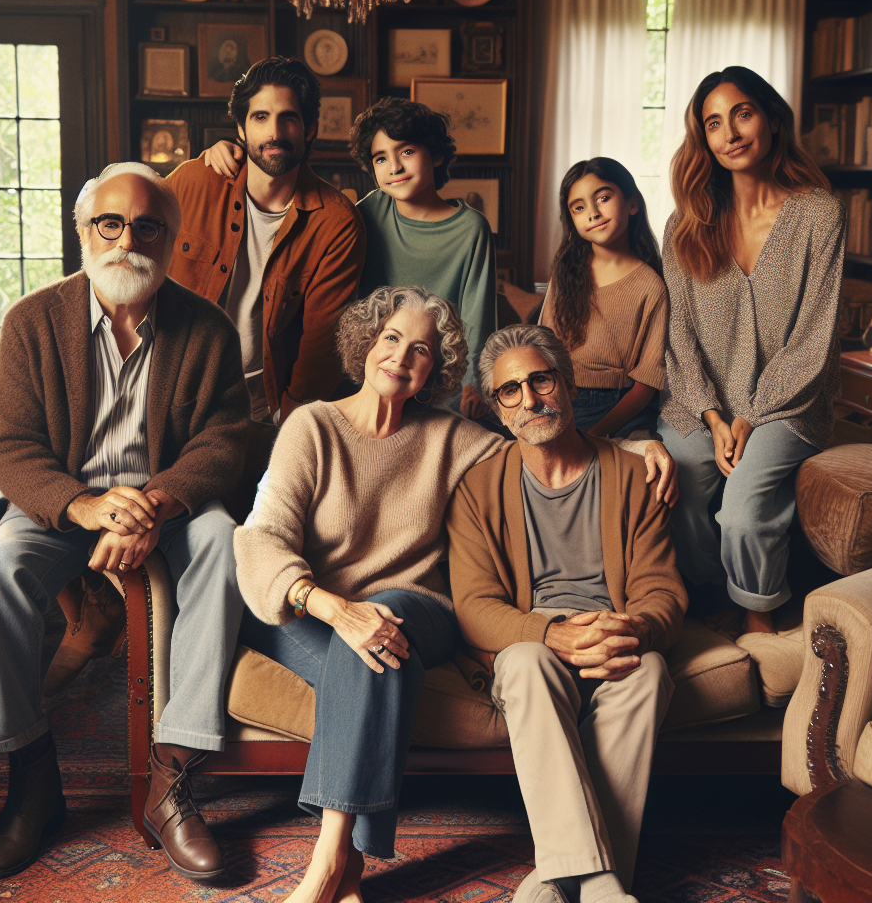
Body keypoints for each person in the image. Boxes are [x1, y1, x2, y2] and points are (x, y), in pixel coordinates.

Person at [233, 289, 677, 903]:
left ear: (434, 368)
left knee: (381, 630)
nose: (401, 356)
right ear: (366, 344)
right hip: (309, 604)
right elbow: (260, 541)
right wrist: (336, 609)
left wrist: (638, 446)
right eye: (391, 338)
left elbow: (540, 437)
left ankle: (331, 865)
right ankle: (343, 862)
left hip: (407, 609)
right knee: (364, 644)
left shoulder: (452, 436)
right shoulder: (311, 426)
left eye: (421, 349)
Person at [0, 163, 250, 882]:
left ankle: (172, 778)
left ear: (172, 238)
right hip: (64, 501)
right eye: (111, 223)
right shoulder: (32, 320)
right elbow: (10, 445)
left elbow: (224, 441)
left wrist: (155, 502)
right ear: (85, 231)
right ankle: (32, 778)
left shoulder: (208, 327)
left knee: (223, 541)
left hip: (167, 501)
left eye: (148, 226)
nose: (129, 239)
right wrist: (83, 506)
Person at [448, 325, 687, 903]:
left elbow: (663, 591)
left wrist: (633, 626)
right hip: (535, 643)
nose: (529, 400)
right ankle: (604, 886)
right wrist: (551, 633)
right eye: (510, 391)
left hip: (612, 636)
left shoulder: (634, 477)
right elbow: (475, 607)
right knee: (527, 662)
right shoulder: (478, 489)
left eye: (540, 380)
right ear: (498, 409)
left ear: (569, 385)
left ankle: (554, 883)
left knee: (651, 672)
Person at [657, 66, 844, 637]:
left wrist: (748, 418)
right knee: (684, 480)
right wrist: (714, 417)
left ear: (770, 118)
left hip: (789, 403)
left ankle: (758, 612)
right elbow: (679, 338)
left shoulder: (818, 215)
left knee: (741, 507)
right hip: (699, 402)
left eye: (742, 114)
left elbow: (815, 336)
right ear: (703, 141)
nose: (731, 133)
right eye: (714, 124)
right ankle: (712, 594)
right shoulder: (686, 225)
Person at [204, 96, 497, 420]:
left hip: (438, 381)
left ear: (437, 155)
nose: (394, 167)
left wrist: (477, 387)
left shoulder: (471, 228)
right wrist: (228, 152)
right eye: (380, 158)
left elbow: (477, 318)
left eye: (407, 152)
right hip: (364, 378)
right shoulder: (367, 212)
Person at [167, 55, 365, 431]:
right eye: (260, 117)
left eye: (288, 117)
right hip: (172, 396)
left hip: (261, 412)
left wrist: (287, 424)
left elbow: (321, 345)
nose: (274, 132)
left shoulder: (336, 222)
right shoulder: (193, 182)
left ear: (309, 129)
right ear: (241, 128)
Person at [540, 158, 667, 438]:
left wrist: (595, 435)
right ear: (571, 220)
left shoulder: (650, 286)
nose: (593, 213)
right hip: (558, 394)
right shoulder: (564, 273)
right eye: (579, 207)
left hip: (618, 404)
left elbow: (646, 384)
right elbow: (544, 346)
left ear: (632, 204)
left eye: (604, 198)